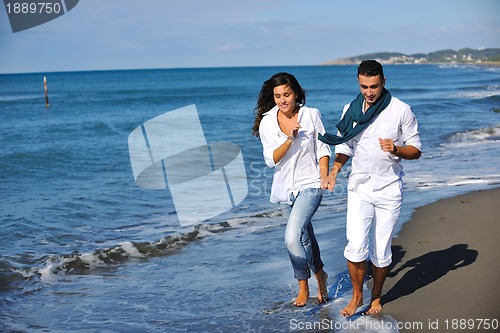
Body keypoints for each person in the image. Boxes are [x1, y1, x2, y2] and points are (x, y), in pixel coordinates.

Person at [319, 60, 422, 317]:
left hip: (389, 188)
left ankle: (376, 297)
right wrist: (333, 172)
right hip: (359, 187)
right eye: (364, 86)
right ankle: (357, 297)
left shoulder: (400, 110)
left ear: (384, 81)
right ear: (358, 82)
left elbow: (416, 149)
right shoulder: (350, 110)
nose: (369, 92)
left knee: (381, 249)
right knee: (355, 246)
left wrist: (397, 149)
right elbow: (344, 146)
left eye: (374, 86)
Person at [252, 72, 330, 307]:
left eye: (287, 94)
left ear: (296, 94)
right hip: (285, 191)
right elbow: (270, 160)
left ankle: (302, 286)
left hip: (311, 184)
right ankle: (321, 277)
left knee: (291, 237)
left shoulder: (311, 115)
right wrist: (288, 138)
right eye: (278, 96)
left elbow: (323, 147)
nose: (283, 100)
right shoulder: (267, 121)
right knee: (305, 238)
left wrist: (325, 175)